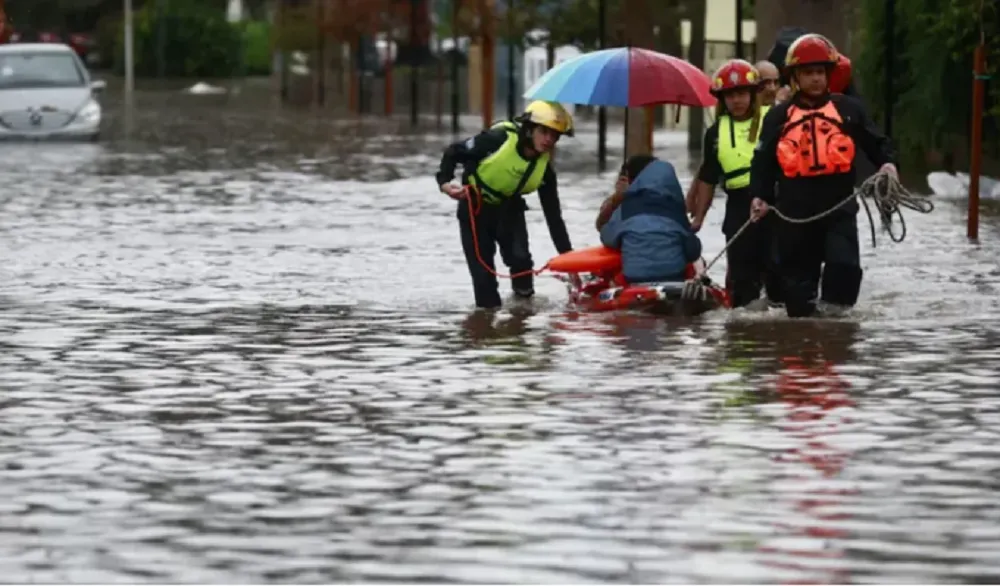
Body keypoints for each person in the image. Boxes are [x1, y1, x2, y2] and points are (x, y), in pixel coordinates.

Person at [749, 33, 898, 318]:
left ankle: (835, 331)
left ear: (829, 74)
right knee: (798, 295)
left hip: (838, 207)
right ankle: (805, 332)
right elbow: (762, 162)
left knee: (844, 268)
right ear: (795, 76)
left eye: (820, 72)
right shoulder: (778, 117)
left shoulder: (848, 109)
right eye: (808, 73)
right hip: (795, 212)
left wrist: (888, 165)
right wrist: (759, 196)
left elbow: (877, 142)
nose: (815, 78)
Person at [436, 100, 574, 309]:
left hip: (510, 210)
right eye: (544, 131)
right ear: (529, 129)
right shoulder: (497, 139)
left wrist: (570, 260)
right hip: (475, 209)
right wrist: (445, 184)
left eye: (555, 135)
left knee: (521, 261)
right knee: (484, 282)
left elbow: (554, 218)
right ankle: (486, 322)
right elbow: (453, 152)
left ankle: (522, 314)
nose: (549, 139)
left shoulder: (545, 171)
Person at [686, 59, 781, 308]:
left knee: (779, 274)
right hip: (738, 208)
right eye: (730, 95)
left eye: (741, 94)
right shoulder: (715, 133)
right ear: (722, 99)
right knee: (742, 281)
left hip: (774, 204)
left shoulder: (774, 119)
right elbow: (708, 178)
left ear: (752, 94)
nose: (736, 100)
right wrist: (699, 217)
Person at [597, 155, 702, 283]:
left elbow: (606, 237)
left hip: (635, 277)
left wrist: (616, 199)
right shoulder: (675, 209)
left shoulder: (625, 209)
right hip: (674, 276)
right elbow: (693, 251)